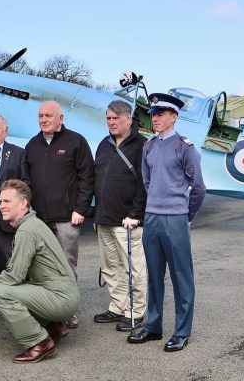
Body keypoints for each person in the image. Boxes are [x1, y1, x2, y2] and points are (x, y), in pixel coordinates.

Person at [127, 93, 206, 352]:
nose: (155, 119)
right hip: (152, 217)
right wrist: (154, 208)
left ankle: (182, 332)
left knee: (182, 276)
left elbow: (199, 188)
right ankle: (153, 327)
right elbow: (147, 182)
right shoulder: (149, 147)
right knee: (154, 276)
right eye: (153, 115)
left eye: (161, 114)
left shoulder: (185, 147)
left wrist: (187, 215)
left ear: (174, 117)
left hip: (175, 218)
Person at [0, 179, 80, 364]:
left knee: (1, 292)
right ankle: (54, 327)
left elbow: (14, 276)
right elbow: (19, 274)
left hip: (61, 298)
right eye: (0, 201)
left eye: (7, 201)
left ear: (24, 203)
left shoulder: (27, 230)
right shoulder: (32, 224)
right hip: (63, 294)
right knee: (13, 286)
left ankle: (40, 343)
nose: (1, 206)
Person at [25, 101, 94, 328]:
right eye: (40, 116)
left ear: (61, 118)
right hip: (39, 219)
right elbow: (25, 181)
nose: (43, 119)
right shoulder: (32, 145)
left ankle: (68, 312)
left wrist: (80, 209)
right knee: (42, 266)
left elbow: (87, 177)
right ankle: (48, 310)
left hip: (67, 217)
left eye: (48, 116)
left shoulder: (76, 141)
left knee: (66, 265)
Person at [93, 100, 147, 332]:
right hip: (104, 217)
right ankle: (118, 306)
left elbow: (145, 183)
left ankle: (136, 312)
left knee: (133, 268)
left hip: (128, 220)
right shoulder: (104, 144)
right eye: (108, 118)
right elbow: (97, 179)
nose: (111, 123)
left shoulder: (142, 145)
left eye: (116, 118)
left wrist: (135, 213)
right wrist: (96, 214)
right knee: (110, 267)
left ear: (128, 119)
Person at [0, 113, 29, 283]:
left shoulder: (18, 153)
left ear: (5, 131)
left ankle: (13, 304)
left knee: (9, 265)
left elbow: (26, 186)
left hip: (3, 218)